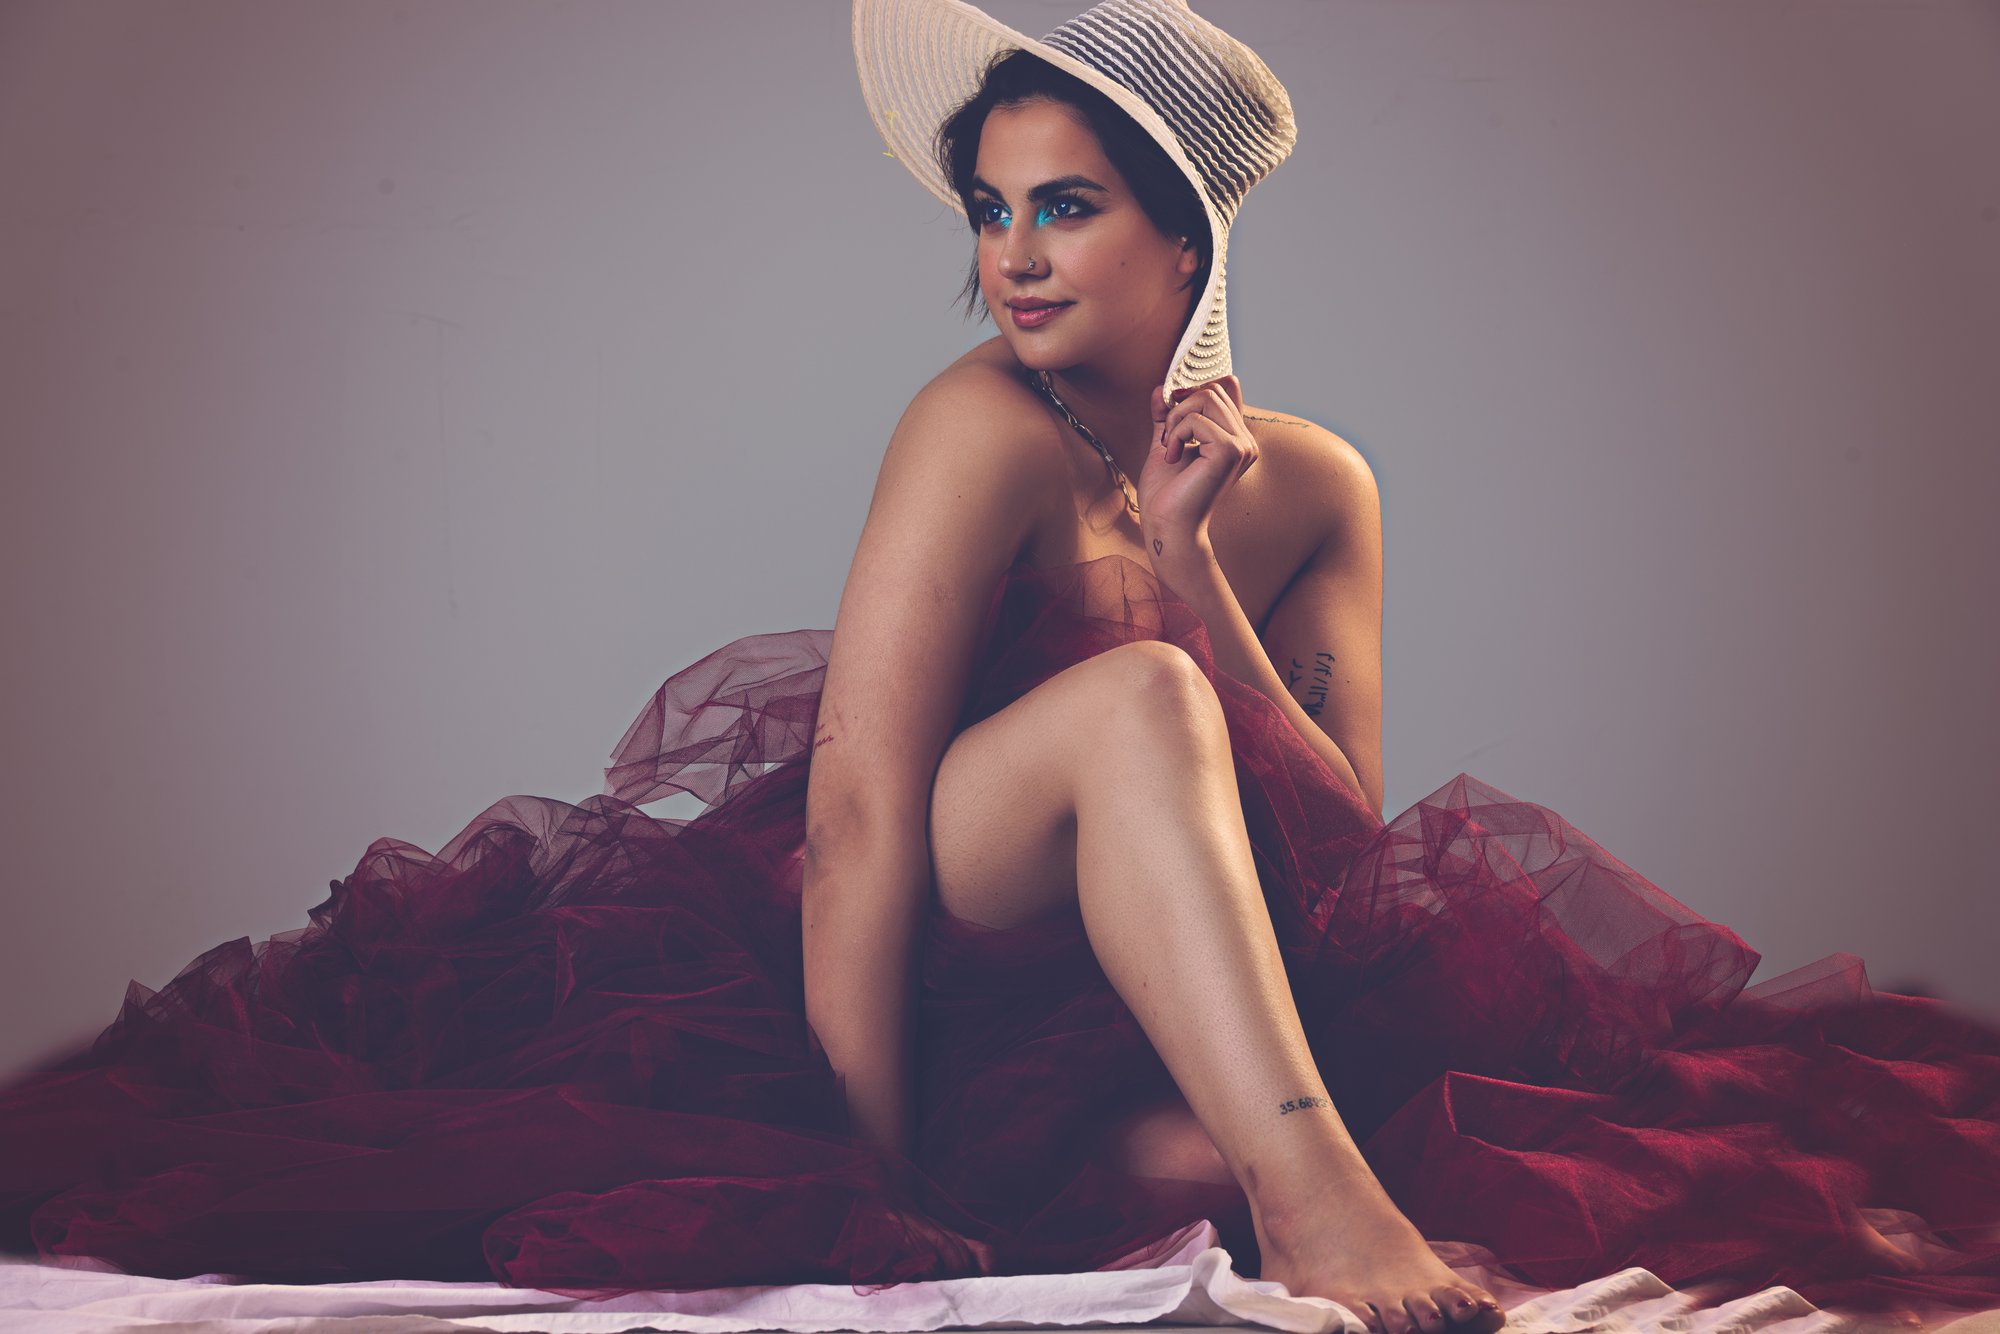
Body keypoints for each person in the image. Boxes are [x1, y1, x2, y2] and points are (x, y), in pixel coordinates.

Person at [0, 1, 1996, 1330]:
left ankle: (1272, 1183)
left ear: (1186, 244)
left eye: (1068, 207)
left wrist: (1199, 573)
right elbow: (862, 808)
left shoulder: (1312, 486)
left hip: (1144, 1013)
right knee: (1128, 709)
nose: (1016, 253)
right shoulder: (979, 424)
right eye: (991, 212)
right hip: (901, 963)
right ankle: (1303, 1204)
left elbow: (1344, 855)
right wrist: (849, 1170)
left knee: (1207, 1154)